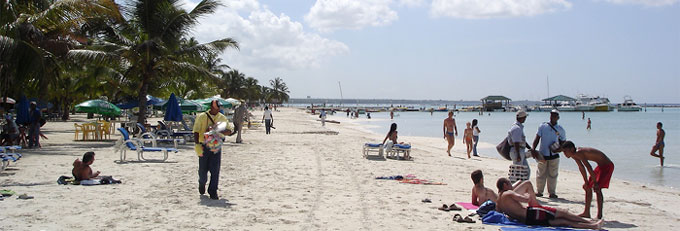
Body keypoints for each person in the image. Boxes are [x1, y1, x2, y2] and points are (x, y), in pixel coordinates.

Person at [495, 178, 603, 230]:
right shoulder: (508, 193)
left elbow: (499, 212)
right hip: (532, 213)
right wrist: (528, 196)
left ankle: (592, 225)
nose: (511, 186)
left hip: (526, 220)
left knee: (563, 222)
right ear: (505, 185)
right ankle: (590, 223)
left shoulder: (499, 200)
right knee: (563, 213)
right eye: (509, 183)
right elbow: (525, 200)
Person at [562, 141, 614, 219]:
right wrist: (586, 182)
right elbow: (581, 168)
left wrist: (595, 182)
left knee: (597, 188)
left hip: (607, 166)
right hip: (600, 166)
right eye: (563, 152)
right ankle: (586, 212)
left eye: (566, 151)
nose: (565, 154)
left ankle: (599, 215)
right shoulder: (573, 155)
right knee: (588, 187)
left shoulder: (579, 152)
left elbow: (588, 167)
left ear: (572, 149)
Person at [193, 100, 233, 200]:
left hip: (216, 146)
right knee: (203, 170)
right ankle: (202, 183)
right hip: (203, 145)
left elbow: (229, 131)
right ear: (211, 107)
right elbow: (196, 131)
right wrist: (197, 144)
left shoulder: (222, 117)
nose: (218, 109)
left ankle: (213, 191)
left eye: (219, 107)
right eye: (216, 107)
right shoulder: (202, 116)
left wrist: (218, 129)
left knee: (215, 170)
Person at [531, 109, 566, 199]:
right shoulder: (543, 126)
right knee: (540, 173)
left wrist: (559, 150)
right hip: (543, 154)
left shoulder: (560, 129)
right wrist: (533, 148)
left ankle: (552, 192)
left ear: (558, 117)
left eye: (555, 115)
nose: (552, 117)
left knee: (553, 174)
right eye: (551, 115)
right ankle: (539, 191)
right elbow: (537, 138)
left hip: (554, 155)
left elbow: (563, 143)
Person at [509, 111, 531, 177]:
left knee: (525, 171)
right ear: (522, 118)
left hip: (519, 151)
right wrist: (518, 155)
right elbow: (516, 142)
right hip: (517, 151)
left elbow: (521, 141)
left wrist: (530, 148)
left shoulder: (517, 127)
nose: (525, 119)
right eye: (525, 117)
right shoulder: (517, 128)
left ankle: (521, 185)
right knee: (518, 172)